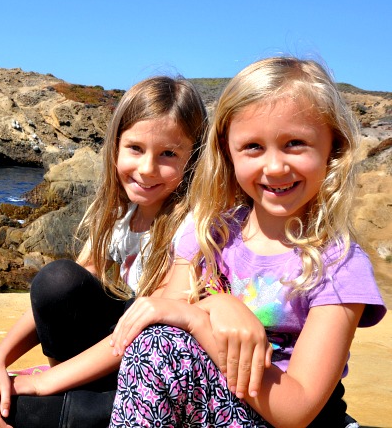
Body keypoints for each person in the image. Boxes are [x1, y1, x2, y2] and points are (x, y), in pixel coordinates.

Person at [109, 56, 387, 427]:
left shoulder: (338, 265)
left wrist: (199, 320)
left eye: (294, 143)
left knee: (162, 345)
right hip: (214, 403)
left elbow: (297, 409)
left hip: (283, 415)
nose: (274, 167)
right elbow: (166, 313)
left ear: (333, 147)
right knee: (156, 341)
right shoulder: (211, 234)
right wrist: (218, 304)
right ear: (228, 152)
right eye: (254, 147)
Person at [0, 75, 208, 428]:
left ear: (193, 158)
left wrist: (42, 384)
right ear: (115, 147)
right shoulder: (120, 215)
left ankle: (72, 396)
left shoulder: (190, 227)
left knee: (17, 411)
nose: (147, 169)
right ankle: (73, 391)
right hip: (109, 361)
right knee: (58, 279)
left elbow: (137, 333)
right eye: (135, 149)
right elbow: (58, 295)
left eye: (168, 154)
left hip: (153, 379)